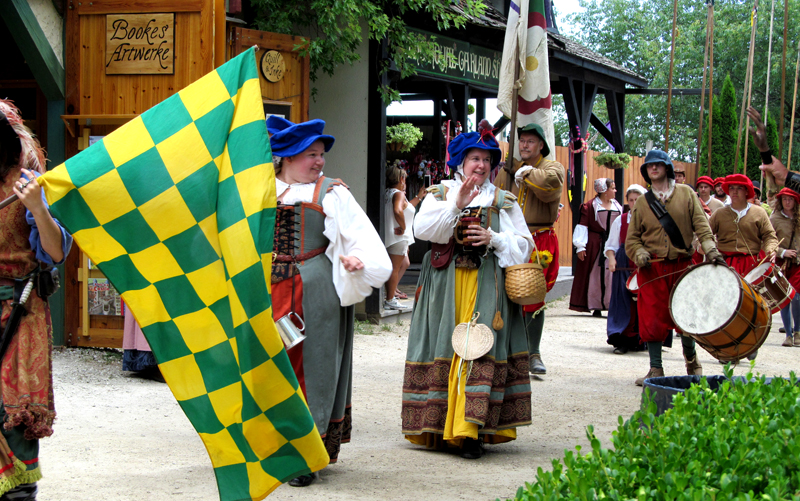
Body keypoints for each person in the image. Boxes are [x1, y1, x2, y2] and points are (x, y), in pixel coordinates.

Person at [266, 116, 392, 487]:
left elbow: (363, 241)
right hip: (268, 289)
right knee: (271, 365)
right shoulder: (261, 190)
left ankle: (306, 454)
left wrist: (356, 260)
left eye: (321, 154)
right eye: (311, 154)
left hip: (314, 291)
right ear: (287, 157)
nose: (319, 161)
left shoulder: (332, 193)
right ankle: (270, 444)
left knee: (312, 369)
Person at [402, 129, 533, 460]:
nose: (481, 165)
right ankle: (439, 425)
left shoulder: (502, 200)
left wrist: (495, 238)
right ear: (460, 162)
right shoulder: (439, 192)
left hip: (486, 286)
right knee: (446, 346)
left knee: (479, 349)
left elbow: (524, 247)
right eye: (475, 158)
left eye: (487, 159)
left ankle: (469, 430)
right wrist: (455, 205)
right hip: (445, 287)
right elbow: (422, 232)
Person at [0, 100, 73, 500]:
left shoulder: (27, 182)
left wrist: (36, 209)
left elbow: (57, 251)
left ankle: (17, 494)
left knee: (14, 414)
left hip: (19, 308)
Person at [625, 149, 723, 386]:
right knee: (652, 318)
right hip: (653, 269)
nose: (654, 169)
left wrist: (711, 251)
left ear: (667, 167)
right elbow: (632, 240)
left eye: (658, 165)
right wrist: (639, 253)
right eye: (649, 166)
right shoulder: (641, 203)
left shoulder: (687, 194)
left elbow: (702, 226)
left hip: (682, 267)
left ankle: (692, 361)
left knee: (687, 314)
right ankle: (656, 369)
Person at [492, 122, 565, 375]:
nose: (524, 145)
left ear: (541, 145)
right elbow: (496, 198)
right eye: (521, 140)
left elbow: (549, 187)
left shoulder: (552, 167)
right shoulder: (508, 169)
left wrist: (522, 171)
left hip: (538, 239)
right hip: (509, 238)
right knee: (506, 294)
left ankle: (533, 353)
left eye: (530, 141)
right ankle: (511, 351)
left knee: (533, 296)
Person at [570, 178, 623, 316]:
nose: (615, 191)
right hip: (595, 245)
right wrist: (580, 247)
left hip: (612, 243)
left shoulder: (616, 205)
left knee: (611, 274)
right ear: (604, 191)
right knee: (595, 275)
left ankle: (611, 303)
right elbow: (582, 226)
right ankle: (596, 305)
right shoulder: (590, 206)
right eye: (613, 188)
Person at [708, 174, 778, 277]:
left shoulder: (759, 212)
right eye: (731, 188)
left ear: (747, 191)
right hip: (724, 264)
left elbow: (769, 235)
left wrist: (771, 249)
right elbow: (706, 233)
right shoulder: (719, 213)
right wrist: (706, 246)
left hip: (751, 265)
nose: (734, 191)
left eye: (739, 188)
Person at [604, 184, 647, 354]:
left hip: (644, 262)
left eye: (638, 200)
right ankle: (621, 338)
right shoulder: (620, 220)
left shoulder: (651, 220)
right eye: (631, 200)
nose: (634, 203)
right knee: (623, 301)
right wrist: (612, 260)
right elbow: (611, 245)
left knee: (643, 301)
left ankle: (640, 338)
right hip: (624, 262)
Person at [384, 166, 425, 310]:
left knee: (404, 263)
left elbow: (406, 208)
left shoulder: (389, 193)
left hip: (390, 236)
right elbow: (398, 210)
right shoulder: (399, 194)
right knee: (395, 268)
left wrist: (419, 197)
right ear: (401, 179)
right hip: (398, 237)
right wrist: (403, 227)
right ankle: (390, 298)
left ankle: (391, 291)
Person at [769, 188, 800, 347]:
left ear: (795, 201)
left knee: (796, 297)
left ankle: (798, 332)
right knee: (784, 299)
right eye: (785, 199)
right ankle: (788, 334)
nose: (787, 202)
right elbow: (767, 241)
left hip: (798, 264)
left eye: (791, 199)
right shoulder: (774, 218)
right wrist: (782, 252)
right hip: (782, 265)